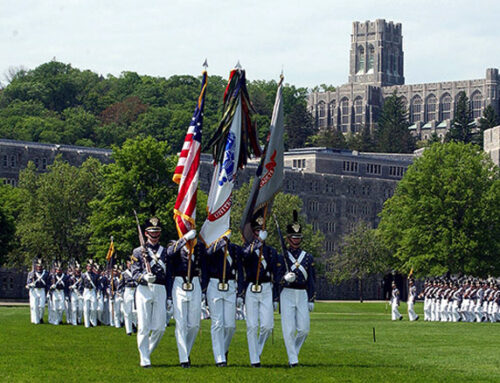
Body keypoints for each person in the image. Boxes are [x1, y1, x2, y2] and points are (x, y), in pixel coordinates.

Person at [239, 214, 279, 367]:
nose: (258, 233)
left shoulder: (271, 252)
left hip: (266, 288)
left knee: (268, 326)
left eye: (261, 231)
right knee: (252, 326)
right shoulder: (247, 249)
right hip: (251, 288)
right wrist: (258, 242)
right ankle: (254, 359)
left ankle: (257, 350)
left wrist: (276, 298)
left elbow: (275, 274)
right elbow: (244, 256)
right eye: (256, 231)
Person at [131, 217, 170, 368]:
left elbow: (168, 275)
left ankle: (147, 351)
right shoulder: (138, 251)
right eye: (152, 231)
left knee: (160, 328)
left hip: (160, 289)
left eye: (157, 231)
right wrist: (143, 277)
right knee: (143, 326)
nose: (155, 234)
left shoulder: (165, 252)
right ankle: (144, 358)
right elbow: (134, 273)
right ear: (146, 233)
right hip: (144, 290)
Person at [278, 211, 315, 367]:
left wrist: (312, 298)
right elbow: (277, 279)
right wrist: (284, 279)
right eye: (293, 237)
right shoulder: (282, 256)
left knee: (304, 329)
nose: (296, 240)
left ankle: (294, 353)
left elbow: (312, 279)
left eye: (298, 238)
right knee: (289, 329)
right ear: (288, 239)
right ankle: (293, 360)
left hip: (302, 293)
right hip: (287, 293)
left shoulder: (307, 257)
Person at [166, 228, 205, 368]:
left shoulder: (198, 246)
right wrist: (184, 240)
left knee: (194, 324)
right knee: (181, 323)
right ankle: (184, 358)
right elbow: (169, 253)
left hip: (194, 282)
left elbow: (204, 265)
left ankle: (186, 351)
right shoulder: (174, 244)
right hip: (179, 283)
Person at [203, 234, 241, 367]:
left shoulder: (235, 249)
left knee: (230, 326)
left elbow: (240, 270)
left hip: (230, 285)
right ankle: (219, 358)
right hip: (214, 284)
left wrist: (240, 292)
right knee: (217, 323)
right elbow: (206, 258)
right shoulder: (212, 248)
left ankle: (223, 350)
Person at [25, 258, 49, 324]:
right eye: (38, 266)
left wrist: (48, 292)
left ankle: (40, 317)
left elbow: (48, 283)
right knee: (34, 306)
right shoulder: (31, 273)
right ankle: (36, 320)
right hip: (34, 290)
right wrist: (30, 284)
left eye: (40, 266)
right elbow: (28, 283)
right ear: (36, 266)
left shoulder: (46, 273)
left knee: (42, 306)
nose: (39, 267)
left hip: (42, 290)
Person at [122, 259, 138, 335]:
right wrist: (119, 293)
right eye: (128, 264)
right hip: (128, 291)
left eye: (131, 264)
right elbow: (120, 285)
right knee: (127, 312)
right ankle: (128, 330)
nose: (130, 265)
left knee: (135, 311)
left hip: (135, 291)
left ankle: (134, 324)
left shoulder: (136, 272)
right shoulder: (124, 273)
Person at [82, 259, 99, 328]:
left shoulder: (95, 275)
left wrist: (98, 292)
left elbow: (97, 284)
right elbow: (81, 285)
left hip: (92, 291)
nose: (90, 268)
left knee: (94, 308)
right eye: (88, 266)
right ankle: (87, 324)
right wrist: (80, 293)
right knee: (86, 308)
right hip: (86, 291)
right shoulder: (83, 275)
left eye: (91, 266)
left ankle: (93, 322)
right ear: (87, 267)